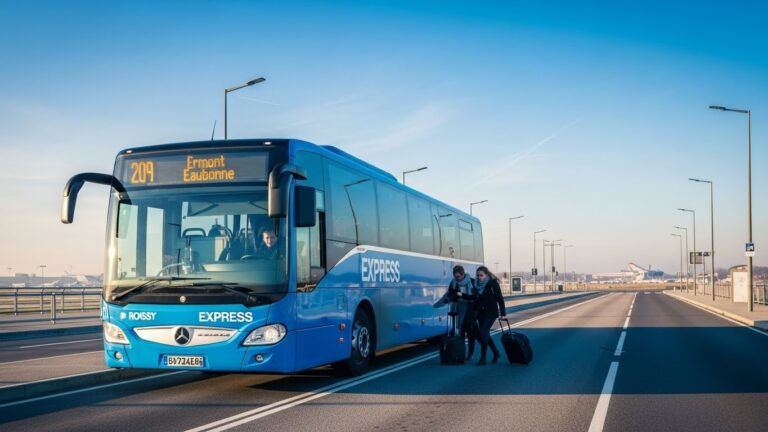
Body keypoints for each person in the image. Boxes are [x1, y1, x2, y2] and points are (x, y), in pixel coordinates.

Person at [460, 265, 506, 365]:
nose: (479, 277)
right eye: (478, 275)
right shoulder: (476, 284)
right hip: (480, 313)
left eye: (481, 275)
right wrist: (462, 295)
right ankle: (496, 352)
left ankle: (483, 358)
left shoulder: (492, 283)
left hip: (491, 312)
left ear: (486, 275)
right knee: (485, 334)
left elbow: (500, 298)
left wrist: (503, 313)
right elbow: (473, 297)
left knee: (483, 332)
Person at [433, 265, 479, 360]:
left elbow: (476, 296)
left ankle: (470, 353)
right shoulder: (454, 283)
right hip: (460, 310)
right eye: (455, 276)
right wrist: (447, 300)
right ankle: (460, 353)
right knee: (461, 333)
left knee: (471, 334)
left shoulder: (472, 282)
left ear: (463, 274)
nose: (457, 278)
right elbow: (451, 294)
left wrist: (463, 296)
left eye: (458, 276)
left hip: (471, 310)